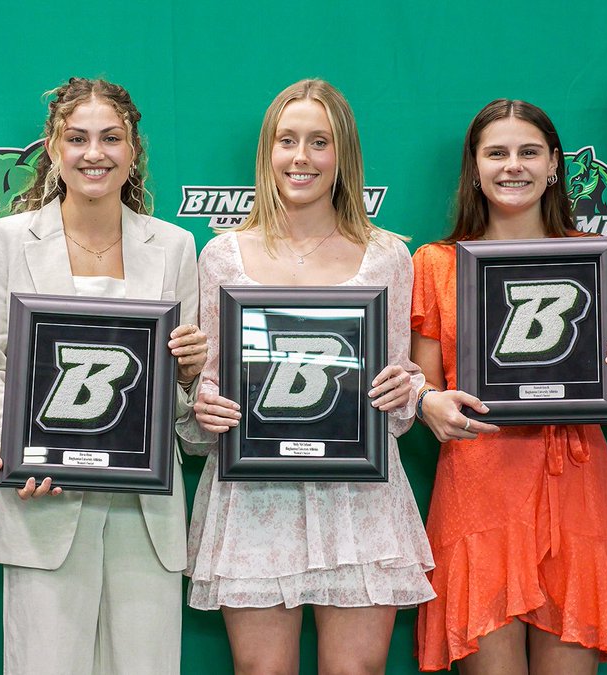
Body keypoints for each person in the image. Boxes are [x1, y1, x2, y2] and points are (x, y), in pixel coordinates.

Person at [0, 77, 206, 675]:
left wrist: (192, 376)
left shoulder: (174, 247)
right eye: (78, 138)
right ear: (53, 148)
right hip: (44, 503)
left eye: (111, 138)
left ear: (134, 151)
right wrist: (11, 449)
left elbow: (179, 401)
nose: (95, 153)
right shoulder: (5, 242)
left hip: (145, 512)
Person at [183, 78, 431, 674]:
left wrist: (404, 391)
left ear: (342, 154)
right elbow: (208, 382)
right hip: (254, 495)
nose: (302, 158)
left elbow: (396, 398)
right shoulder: (223, 255)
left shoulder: (386, 255)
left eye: (319, 142)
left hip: (356, 495)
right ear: (267, 152)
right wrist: (206, 403)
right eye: (287, 141)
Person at [410, 99, 607, 674]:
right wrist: (425, 402)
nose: (512, 166)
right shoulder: (437, 263)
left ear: (554, 165)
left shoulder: (599, 261)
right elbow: (422, 379)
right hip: (480, 484)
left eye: (528, 152)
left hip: (575, 485)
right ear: (474, 167)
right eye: (496, 153)